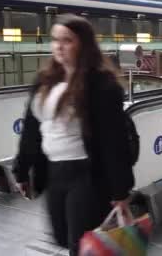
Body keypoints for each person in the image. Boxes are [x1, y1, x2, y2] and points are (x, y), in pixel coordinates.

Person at [12, 14, 135, 255]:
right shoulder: (45, 81)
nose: (58, 46)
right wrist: (21, 169)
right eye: (55, 39)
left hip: (86, 175)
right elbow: (32, 129)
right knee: (61, 236)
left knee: (80, 245)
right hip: (53, 172)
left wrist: (120, 190)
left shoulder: (101, 85)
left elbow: (114, 141)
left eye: (67, 40)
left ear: (84, 44)